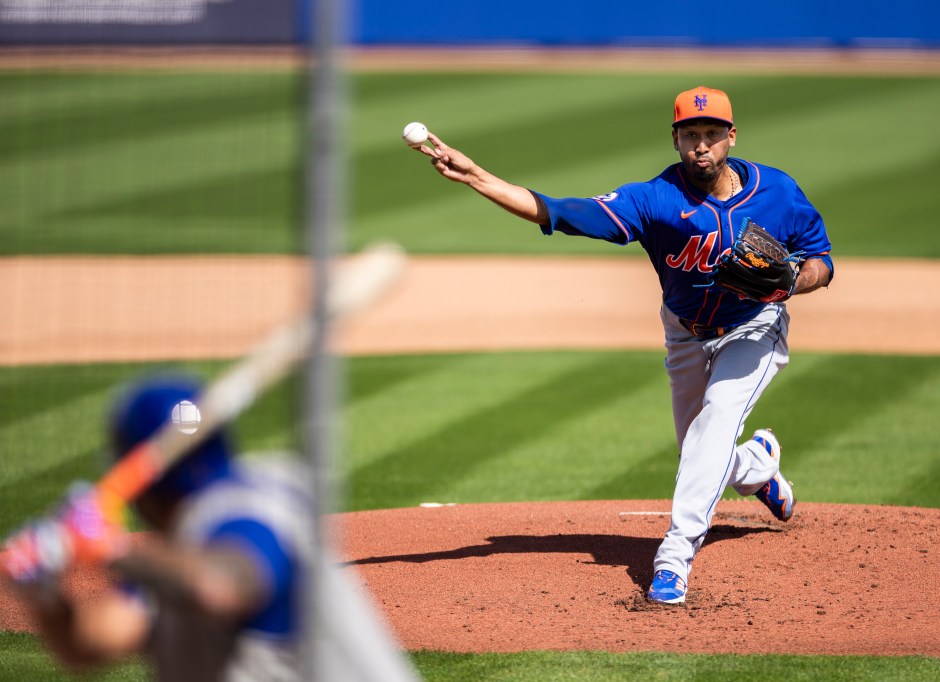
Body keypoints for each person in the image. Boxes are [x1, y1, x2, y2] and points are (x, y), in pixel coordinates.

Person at [414, 86, 833, 605]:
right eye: (690, 135)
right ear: (676, 140)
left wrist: (795, 280)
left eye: (711, 134)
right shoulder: (654, 199)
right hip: (685, 334)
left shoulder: (778, 192)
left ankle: (674, 558)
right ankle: (758, 466)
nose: (701, 145)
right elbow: (560, 213)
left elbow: (821, 259)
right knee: (699, 450)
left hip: (754, 326)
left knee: (720, 416)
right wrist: (477, 176)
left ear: (731, 136)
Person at [2, 374, 418, 681]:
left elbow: (223, 585)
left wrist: (109, 546)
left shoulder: (258, 503)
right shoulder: (174, 555)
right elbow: (90, 643)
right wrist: (45, 593)